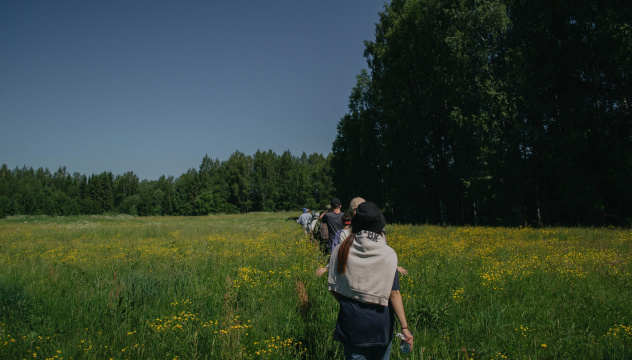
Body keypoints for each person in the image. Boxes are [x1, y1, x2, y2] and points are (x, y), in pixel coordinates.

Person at [327, 202, 413, 359]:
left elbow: (333, 287)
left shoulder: (341, 249)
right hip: (380, 325)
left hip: (351, 322)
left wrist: (350, 300)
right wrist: (405, 327)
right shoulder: (387, 254)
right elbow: (394, 293)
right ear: (379, 226)